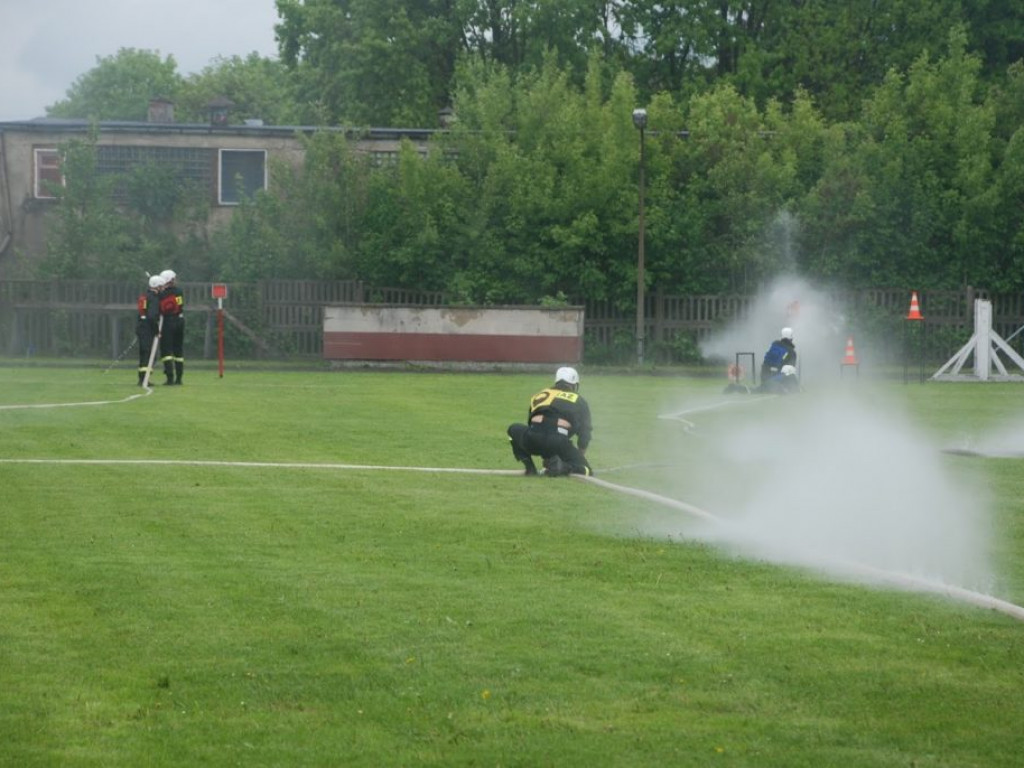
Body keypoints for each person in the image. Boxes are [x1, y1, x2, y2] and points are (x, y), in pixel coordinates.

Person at [507, 366, 593, 477]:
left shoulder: (540, 395)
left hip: (533, 439)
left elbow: (531, 423)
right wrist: (579, 456)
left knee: (513, 430)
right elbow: (585, 433)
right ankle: (563, 467)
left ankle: (530, 468)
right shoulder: (578, 399)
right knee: (587, 470)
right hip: (558, 442)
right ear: (574, 385)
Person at [158, 269, 185, 385]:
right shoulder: (179, 291)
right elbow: (180, 305)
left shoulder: (162, 294)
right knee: (178, 350)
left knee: (166, 350)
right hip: (180, 321)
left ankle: (169, 378)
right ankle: (179, 378)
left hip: (167, 322)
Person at [136, 274, 164, 386]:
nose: (162, 289)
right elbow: (152, 316)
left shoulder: (146, 296)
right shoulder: (153, 298)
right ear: (157, 286)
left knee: (144, 353)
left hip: (142, 326)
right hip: (148, 328)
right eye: (161, 286)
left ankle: (143, 378)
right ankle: (144, 378)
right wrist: (156, 331)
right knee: (149, 353)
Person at [759, 327, 799, 393]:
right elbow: (790, 370)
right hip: (777, 381)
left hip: (764, 378)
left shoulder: (774, 345)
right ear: (791, 337)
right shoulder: (791, 352)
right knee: (791, 373)